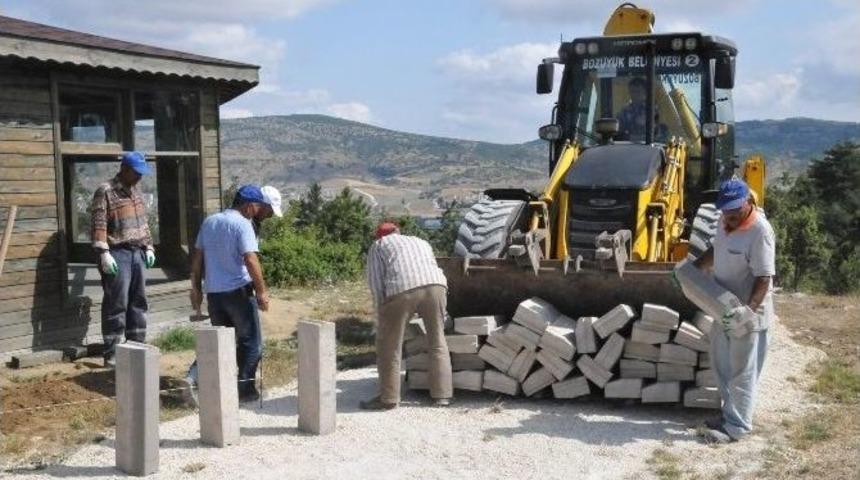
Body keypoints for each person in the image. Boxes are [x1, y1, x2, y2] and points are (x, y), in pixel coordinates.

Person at [690, 178, 775, 443]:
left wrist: (748, 311)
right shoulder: (724, 221)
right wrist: (692, 270)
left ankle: (737, 427)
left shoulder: (760, 231)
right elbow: (717, 249)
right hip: (723, 306)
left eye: (735, 210)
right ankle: (728, 416)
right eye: (725, 210)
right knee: (722, 367)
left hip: (748, 313)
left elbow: (764, 277)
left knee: (742, 372)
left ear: (748, 202)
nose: (730, 216)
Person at [184, 184, 282, 403]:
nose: (257, 212)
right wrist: (262, 291)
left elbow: (197, 259)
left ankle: (194, 379)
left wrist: (196, 289)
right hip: (239, 293)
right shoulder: (243, 224)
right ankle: (245, 391)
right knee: (251, 343)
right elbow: (250, 259)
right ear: (249, 206)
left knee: (222, 342)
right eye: (257, 207)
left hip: (214, 294)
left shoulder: (209, 222)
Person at [360, 222, 453, 410]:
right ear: (398, 231)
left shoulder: (378, 245)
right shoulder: (420, 241)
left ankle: (388, 399)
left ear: (379, 236)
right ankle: (442, 396)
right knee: (437, 341)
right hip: (437, 286)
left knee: (389, 345)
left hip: (402, 288)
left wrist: (381, 314)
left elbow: (376, 282)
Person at [91, 151, 156, 368]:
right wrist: (103, 252)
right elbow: (99, 223)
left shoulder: (136, 192)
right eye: (136, 173)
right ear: (125, 169)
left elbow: (143, 222)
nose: (140, 177)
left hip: (138, 252)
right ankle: (113, 353)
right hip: (117, 253)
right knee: (117, 303)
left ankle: (137, 346)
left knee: (139, 301)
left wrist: (149, 246)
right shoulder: (106, 191)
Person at [617, 77, 668, 142]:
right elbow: (618, 132)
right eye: (632, 91)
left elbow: (660, 132)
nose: (635, 94)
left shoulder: (652, 109)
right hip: (628, 145)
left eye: (638, 92)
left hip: (649, 145)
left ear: (645, 92)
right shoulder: (625, 111)